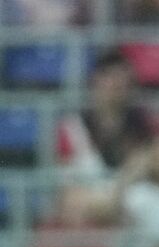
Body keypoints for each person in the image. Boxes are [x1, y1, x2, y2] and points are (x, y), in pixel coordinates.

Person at [54, 48, 153, 226]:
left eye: (124, 81)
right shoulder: (72, 127)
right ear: (96, 80)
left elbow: (142, 169)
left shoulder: (143, 128)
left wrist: (115, 196)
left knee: (142, 198)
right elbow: (68, 187)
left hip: (126, 205)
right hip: (85, 205)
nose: (117, 85)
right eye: (111, 78)